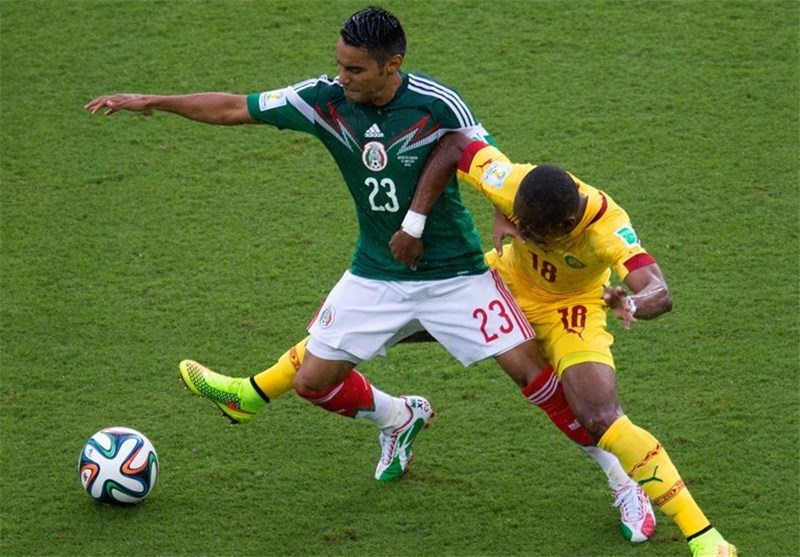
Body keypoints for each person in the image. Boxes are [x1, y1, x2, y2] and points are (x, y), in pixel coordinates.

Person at [87, 5, 655, 543]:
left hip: (457, 275)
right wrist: (154, 102)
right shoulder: (326, 100)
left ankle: (626, 481)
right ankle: (400, 416)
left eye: (355, 69)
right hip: (375, 274)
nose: (342, 77)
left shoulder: (437, 104)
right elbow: (237, 107)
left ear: (392, 65)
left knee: (534, 375)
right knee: (313, 382)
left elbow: (492, 165)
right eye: (339, 64)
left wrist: (505, 214)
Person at [392, 132, 735, 557]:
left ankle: (702, 535)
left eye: (532, 229)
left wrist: (631, 302)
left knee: (600, 416)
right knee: (389, 326)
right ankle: (394, 416)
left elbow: (660, 292)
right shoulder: (518, 183)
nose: (523, 231)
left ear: (567, 225)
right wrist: (495, 212)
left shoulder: (607, 229)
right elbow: (455, 146)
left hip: (572, 308)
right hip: (504, 285)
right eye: (520, 220)